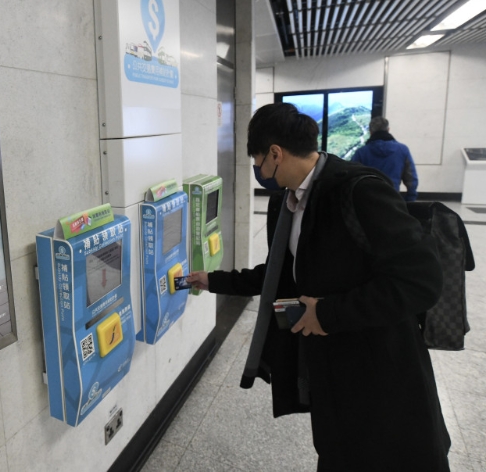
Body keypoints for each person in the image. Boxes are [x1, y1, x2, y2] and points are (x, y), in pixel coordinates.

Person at [187, 103, 450, 471]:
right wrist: (214, 280)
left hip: (382, 368)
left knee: (389, 455)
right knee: (338, 449)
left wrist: (327, 313)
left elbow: (421, 280)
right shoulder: (290, 201)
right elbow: (280, 272)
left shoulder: (358, 191)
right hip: (331, 365)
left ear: (276, 154)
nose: (260, 173)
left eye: (259, 162)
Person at [351, 116, 418, 201]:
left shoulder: (361, 153)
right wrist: (410, 198)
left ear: (370, 132)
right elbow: (411, 177)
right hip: (393, 200)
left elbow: (351, 178)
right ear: (388, 129)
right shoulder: (402, 150)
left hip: (368, 201)